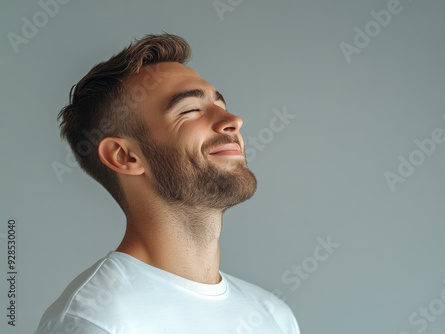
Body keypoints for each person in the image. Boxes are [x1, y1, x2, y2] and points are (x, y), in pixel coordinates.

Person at [34, 33, 300, 334]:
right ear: (125, 156)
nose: (233, 120)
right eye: (189, 110)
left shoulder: (273, 316)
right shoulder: (96, 321)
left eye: (220, 103)